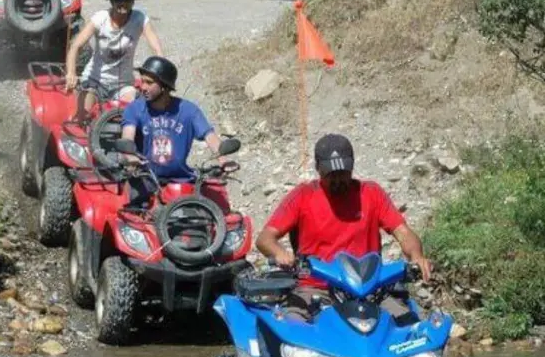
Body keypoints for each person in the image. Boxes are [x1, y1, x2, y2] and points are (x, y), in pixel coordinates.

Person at [252, 133, 433, 322]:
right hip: (316, 287)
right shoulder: (303, 196)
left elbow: (403, 232)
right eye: (331, 175)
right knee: (292, 327)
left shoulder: (371, 194)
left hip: (370, 289)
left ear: (352, 167)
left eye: (343, 173)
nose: (338, 180)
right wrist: (280, 253)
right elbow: (265, 238)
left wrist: (417, 256)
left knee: (409, 328)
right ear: (318, 169)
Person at [119, 57, 227, 204]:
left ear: (164, 86)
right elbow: (127, 137)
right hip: (144, 180)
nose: (142, 87)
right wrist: (130, 157)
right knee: (134, 220)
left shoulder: (189, 110)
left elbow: (210, 136)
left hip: (181, 181)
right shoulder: (134, 109)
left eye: (149, 83)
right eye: (142, 81)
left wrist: (223, 159)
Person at [64, 0, 164, 121]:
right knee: (83, 117)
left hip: (123, 84)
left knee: (131, 116)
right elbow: (76, 46)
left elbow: (155, 44)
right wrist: (71, 73)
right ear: (111, 1)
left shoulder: (139, 19)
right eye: (118, 0)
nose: (123, 4)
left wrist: (160, 67)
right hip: (95, 81)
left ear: (133, 1)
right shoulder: (100, 19)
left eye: (127, 0)